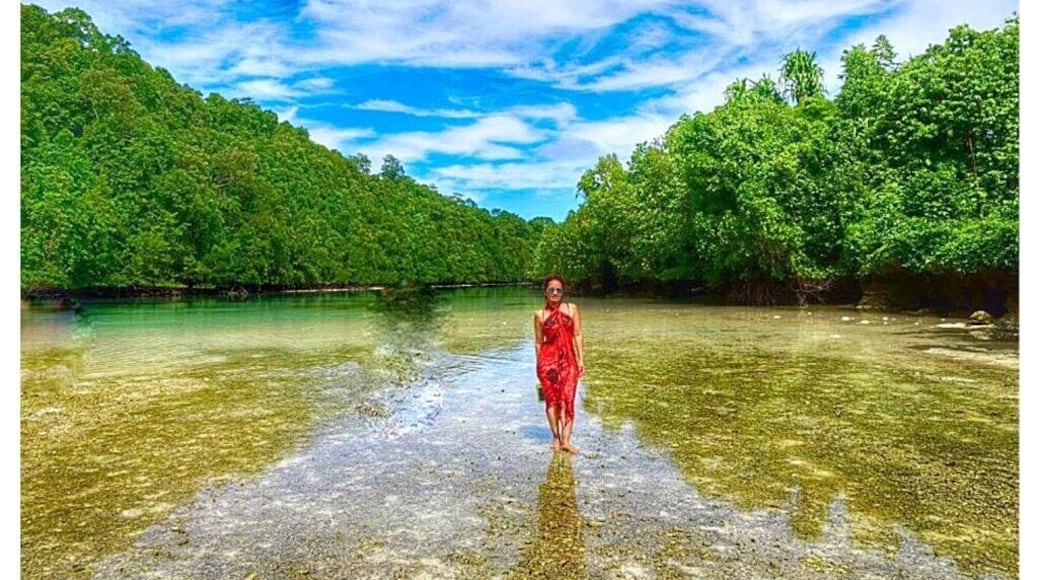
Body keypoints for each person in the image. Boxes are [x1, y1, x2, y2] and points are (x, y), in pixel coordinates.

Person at [533, 274, 584, 454]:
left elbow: (577, 334)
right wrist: (539, 364)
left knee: (568, 398)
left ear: (563, 292)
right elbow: (539, 342)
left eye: (559, 290)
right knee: (552, 400)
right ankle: (555, 437)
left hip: (569, 361)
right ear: (545, 293)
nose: (555, 293)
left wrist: (580, 359)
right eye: (551, 290)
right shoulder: (539, 315)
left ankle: (566, 441)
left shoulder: (572, 309)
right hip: (548, 362)